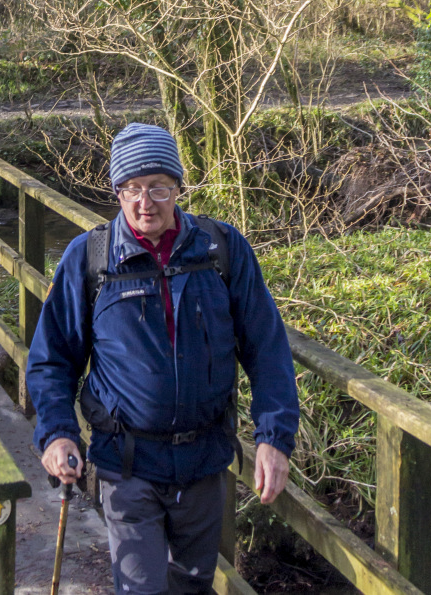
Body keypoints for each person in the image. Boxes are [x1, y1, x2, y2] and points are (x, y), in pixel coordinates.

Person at [26, 123, 300, 594]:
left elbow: (267, 347)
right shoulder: (90, 258)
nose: (144, 202)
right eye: (131, 188)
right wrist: (56, 432)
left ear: (178, 188)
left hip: (206, 462)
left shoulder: (221, 250)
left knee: (193, 586)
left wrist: (274, 436)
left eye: (158, 187)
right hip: (127, 463)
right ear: (116, 191)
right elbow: (51, 359)